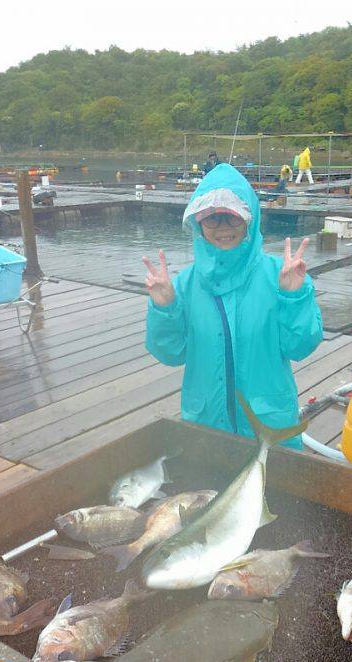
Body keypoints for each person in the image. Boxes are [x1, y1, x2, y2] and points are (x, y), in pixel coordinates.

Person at [144, 163, 323, 450]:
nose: (222, 228)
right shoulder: (183, 285)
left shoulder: (283, 275)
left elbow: (300, 347)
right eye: (212, 218)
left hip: (269, 430)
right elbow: (171, 353)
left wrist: (293, 298)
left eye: (232, 217)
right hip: (205, 426)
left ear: (249, 220)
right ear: (198, 223)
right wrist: (164, 307)